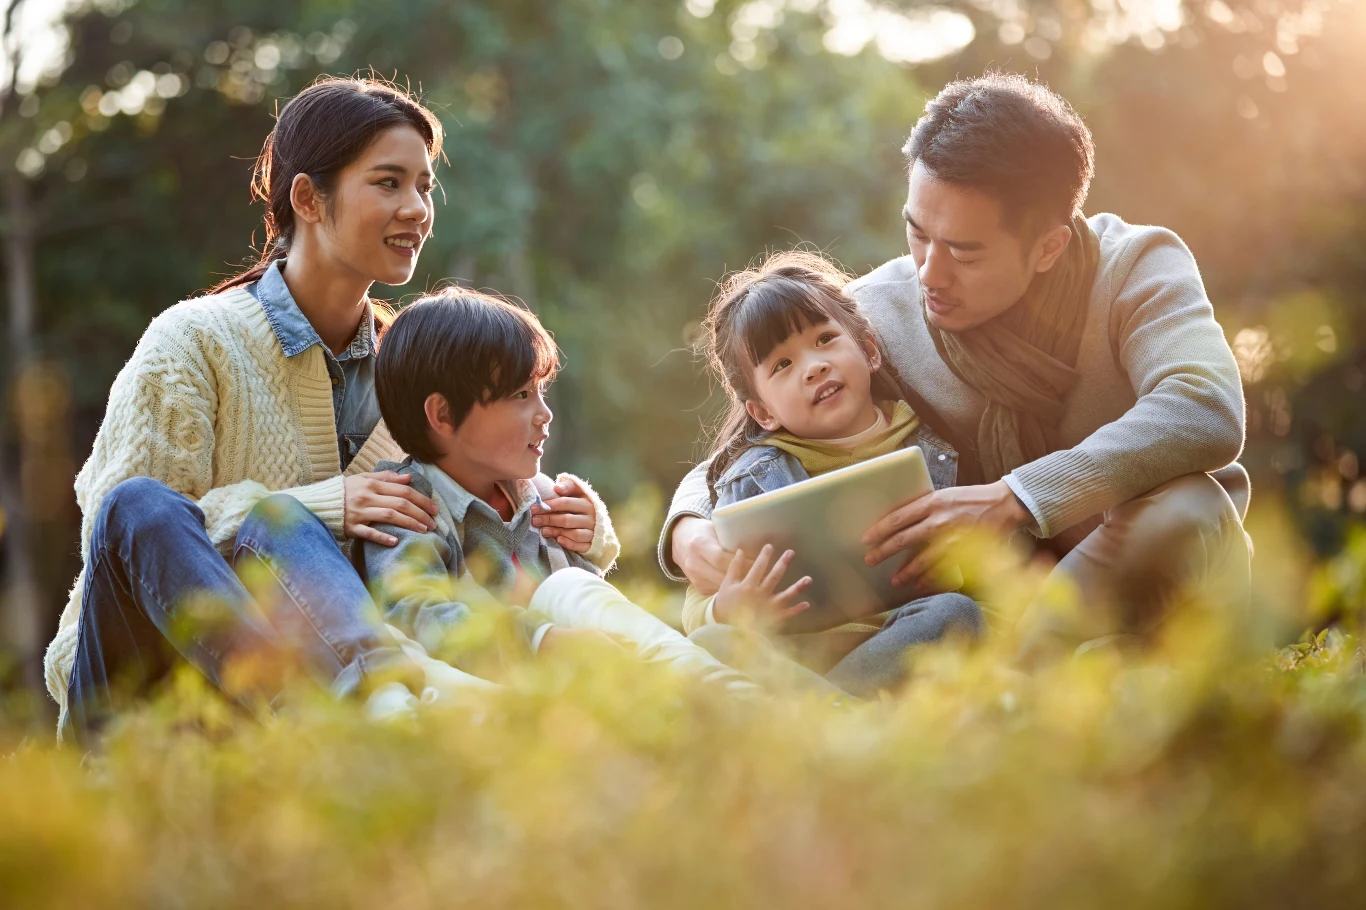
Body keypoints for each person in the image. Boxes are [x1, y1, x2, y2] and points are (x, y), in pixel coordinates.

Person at [47, 77, 616, 744]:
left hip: (322, 695)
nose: (417, 209)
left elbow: (477, 500)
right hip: (145, 690)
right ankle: (337, 723)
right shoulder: (193, 341)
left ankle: (347, 726)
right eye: (388, 183)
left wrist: (580, 523)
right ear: (308, 199)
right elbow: (123, 535)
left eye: (424, 187)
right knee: (143, 502)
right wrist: (318, 505)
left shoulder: (416, 368)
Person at [662, 73, 1251, 650]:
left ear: (1048, 247)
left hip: (1145, 580)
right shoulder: (875, 314)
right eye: (917, 233)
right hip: (986, 611)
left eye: (965, 254)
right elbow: (752, 441)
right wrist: (688, 531)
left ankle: (1029, 675)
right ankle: (1033, 676)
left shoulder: (1136, 267)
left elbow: (1205, 406)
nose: (930, 274)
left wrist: (1015, 498)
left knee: (1186, 506)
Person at [363, 289, 755, 694]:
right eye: (521, 395)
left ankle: (725, 693)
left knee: (715, 639)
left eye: (540, 391)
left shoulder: (544, 499)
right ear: (444, 415)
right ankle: (726, 696)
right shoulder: (404, 506)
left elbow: (599, 612)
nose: (544, 414)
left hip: (585, 688)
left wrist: (590, 551)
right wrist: (540, 641)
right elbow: (416, 612)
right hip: (504, 695)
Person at [680, 251, 982, 696]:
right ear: (762, 413)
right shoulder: (752, 479)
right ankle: (835, 709)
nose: (814, 367)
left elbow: (994, 557)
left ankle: (818, 714)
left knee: (956, 613)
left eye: (824, 339)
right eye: (782, 365)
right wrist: (726, 608)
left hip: (905, 636)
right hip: (798, 653)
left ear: (869, 349)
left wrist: (966, 554)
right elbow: (700, 603)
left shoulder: (936, 445)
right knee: (713, 641)